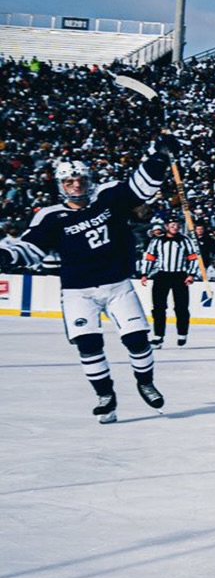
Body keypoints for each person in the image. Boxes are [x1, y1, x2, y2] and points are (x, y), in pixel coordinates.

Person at [0, 138, 180, 422]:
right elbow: (30, 247)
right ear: (61, 185)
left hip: (117, 284)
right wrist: (7, 256)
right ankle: (105, 395)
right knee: (88, 345)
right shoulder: (50, 216)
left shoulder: (108, 197)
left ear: (89, 180)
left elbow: (142, 187)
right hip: (78, 291)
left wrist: (159, 158)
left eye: (80, 179)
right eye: (69, 181)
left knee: (136, 339)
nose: (76, 185)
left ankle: (145, 382)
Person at [141, 215, 201, 347]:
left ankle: (182, 333)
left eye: (177, 225)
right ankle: (158, 336)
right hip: (162, 276)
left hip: (180, 276)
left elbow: (194, 258)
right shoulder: (157, 241)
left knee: (181, 307)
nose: (175, 227)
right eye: (172, 225)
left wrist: (191, 275)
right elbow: (150, 257)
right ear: (166, 226)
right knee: (158, 308)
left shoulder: (185, 240)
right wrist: (144, 273)